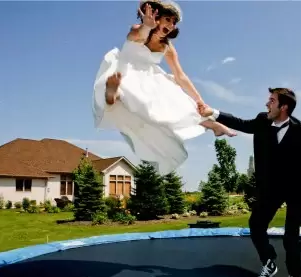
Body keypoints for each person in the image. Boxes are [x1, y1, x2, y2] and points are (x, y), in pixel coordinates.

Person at [197, 87, 301, 277]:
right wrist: (212, 112)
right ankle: (269, 263)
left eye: (271, 100)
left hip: (298, 188)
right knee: (256, 226)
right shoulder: (262, 121)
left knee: (291, 235)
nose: (266, 104)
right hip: (271, 188)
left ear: (283, 107)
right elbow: (240, 123)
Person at [92, 0, 236, 175]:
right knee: (131, 98)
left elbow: (180, 76)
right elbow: (138, 36)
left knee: (173, 103)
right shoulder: (138, 29)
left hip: (149, 78)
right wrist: (146, 26)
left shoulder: (167, 47)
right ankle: (112, 94)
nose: (171, 24)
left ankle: (212, 125)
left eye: (174, 22)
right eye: (168, 19)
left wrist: (200, 100)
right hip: (126, 70)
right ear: (157, 18)